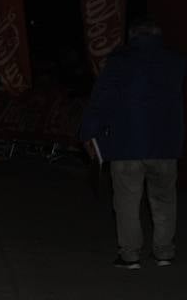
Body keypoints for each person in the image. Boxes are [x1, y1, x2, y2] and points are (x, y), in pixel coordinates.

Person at [77, 17, 186, 269]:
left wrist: (87, 133)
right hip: (165, 143)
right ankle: (164, 252)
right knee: (164, 199)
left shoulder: (120, 61)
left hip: (126, 144)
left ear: (132, 37)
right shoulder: (176, 62)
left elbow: (101, 100)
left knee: (127, 200)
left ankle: (130, 255)